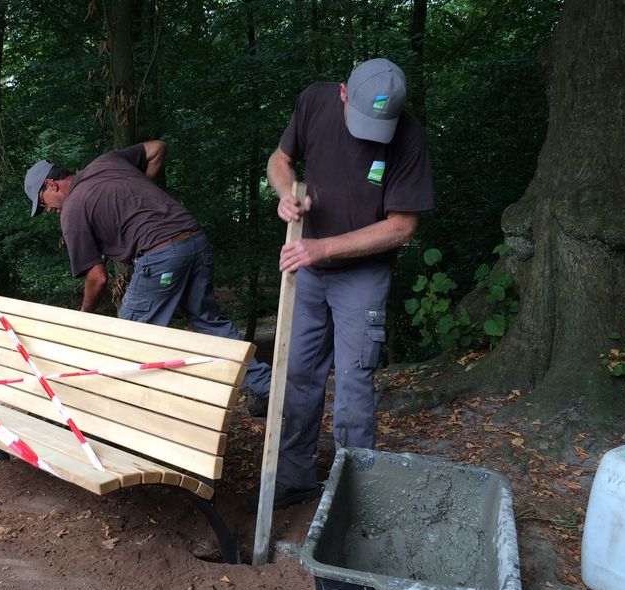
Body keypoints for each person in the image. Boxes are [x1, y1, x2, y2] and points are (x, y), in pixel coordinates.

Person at [255, 58, 435, 511]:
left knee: (354, 386)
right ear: (342, 93)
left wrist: (326, 248)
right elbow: (280, 160)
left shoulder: (408, 135)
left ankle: (353, 491)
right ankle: (294, 478)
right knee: (297, 374)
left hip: (362, 275)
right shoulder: (315, 101)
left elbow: (402, 226)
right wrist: (287, 191)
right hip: (308, 268)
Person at [23, 140, 272, 411]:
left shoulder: (72, 210)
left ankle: (120, 423)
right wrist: (141, 191)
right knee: (210, 325)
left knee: (127, 342)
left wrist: (84, 315)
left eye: (43, 203)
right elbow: (157, 148)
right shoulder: (106, 162)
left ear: (52, 185)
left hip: (162, 255)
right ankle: (266, 386)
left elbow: (98, 277)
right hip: (195, 240)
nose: (48, 210)